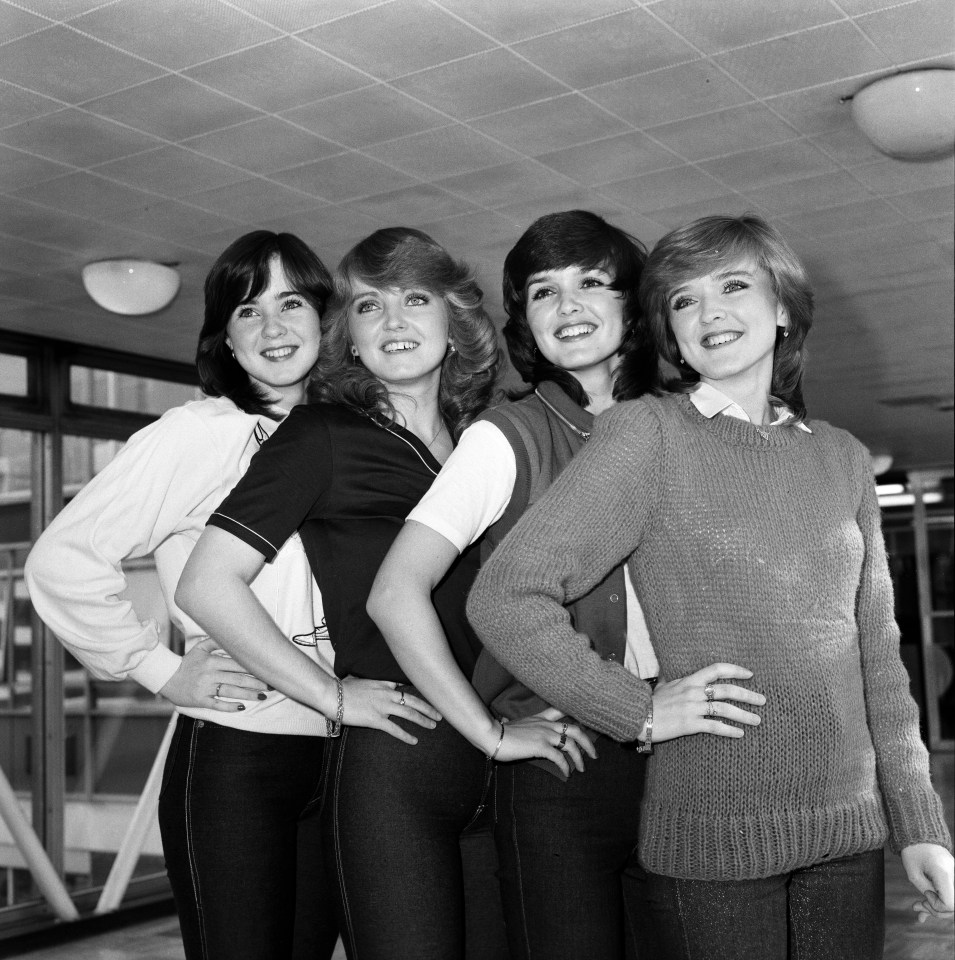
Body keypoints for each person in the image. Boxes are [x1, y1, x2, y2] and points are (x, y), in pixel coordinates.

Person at [467, 213, 955, 960]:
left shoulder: (843, 458)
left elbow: (878, 658)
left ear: (783, 307)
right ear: (668, 330)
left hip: (847, 832)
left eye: (733, 285)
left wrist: (919, 821)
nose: (710, 311)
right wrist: (635, 710)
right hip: (713, 839)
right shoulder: (649, 434)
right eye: (684, 300)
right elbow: (504, 595)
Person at [24, 230, 433, 960]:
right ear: (226, 338)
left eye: (291, 302)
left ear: (324, 316)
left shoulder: (354, 436)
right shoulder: (199, 434)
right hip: (240, 759)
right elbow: (62, 561)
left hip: (346, 758)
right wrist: (160, 669)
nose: (273, 328)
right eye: (248, 311)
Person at [369, 210, 765, 960]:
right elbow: (395, 593)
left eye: (591, 283)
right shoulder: (503, 436)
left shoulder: (698, 420)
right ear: (523, 319)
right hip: (567, 763)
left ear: (632, 302)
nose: (568, 307)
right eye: (543, 292)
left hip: (698, 756)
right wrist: (486, 735)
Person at [176, 227, 540, 960]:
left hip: (500, 748)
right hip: (399, 758)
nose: (395, 322)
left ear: (454, 317)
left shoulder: (488, 437)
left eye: (415, 298)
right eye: (370, 306)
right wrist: (332, 699)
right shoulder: (323, 435)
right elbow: (207, 583)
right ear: (349, 333)